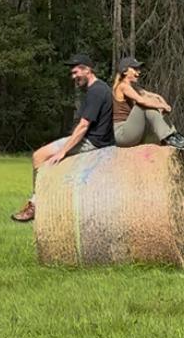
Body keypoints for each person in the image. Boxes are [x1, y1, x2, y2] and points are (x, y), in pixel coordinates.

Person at [11, 53, 113, 223]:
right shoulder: (101, 88)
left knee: (39, 156)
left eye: (76, 73)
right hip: (97, 139)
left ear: (87, 70)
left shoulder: (96, 91)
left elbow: (83, 126)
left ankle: (36, 204)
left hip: (93, 142)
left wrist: (63, 152)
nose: (73, 77)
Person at [111, 57, 184, 151]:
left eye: (138, 69)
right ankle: (169, 137)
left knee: (150, 106)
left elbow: (155, 96)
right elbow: (142, 101)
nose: (138, 72)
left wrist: (163, 103)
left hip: (131, 131)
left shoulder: (135, 88)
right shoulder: (122, 86)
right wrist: (162, 106)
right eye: (135, 69)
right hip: (121, 133)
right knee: (143, 106)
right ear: (125, 71)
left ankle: (172, 136)